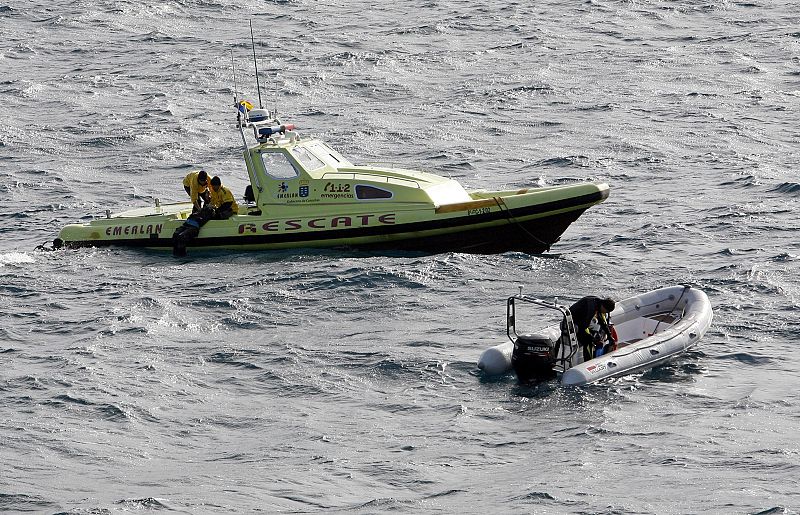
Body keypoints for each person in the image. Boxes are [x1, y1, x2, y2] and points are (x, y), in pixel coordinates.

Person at [566, 296, 616, 362]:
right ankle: (588, 362)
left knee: (594, 336)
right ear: (603, 307)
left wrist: (609, 335)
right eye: (606, 312)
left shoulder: (597, 302)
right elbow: (583, 328)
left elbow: (601, 320)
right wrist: (593, 339)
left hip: (580, 322)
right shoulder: (591, 309)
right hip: (573, 325)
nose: (605, 313)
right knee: (588, 341)